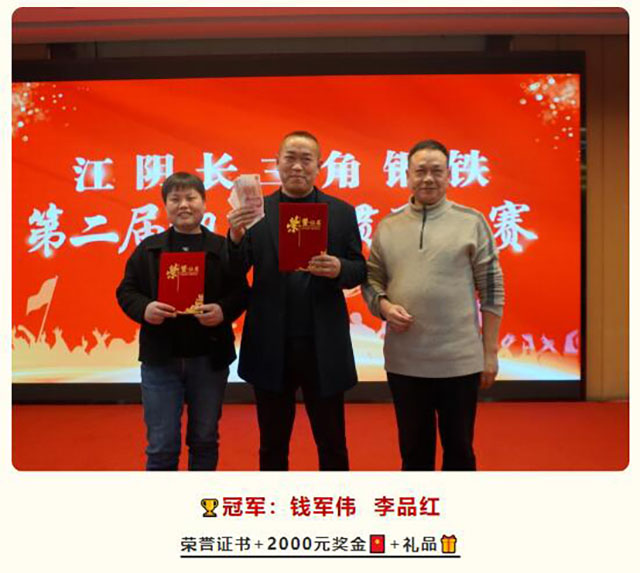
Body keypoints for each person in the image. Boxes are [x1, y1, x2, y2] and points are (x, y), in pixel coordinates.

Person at [227, 131, 366, 471]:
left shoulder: (341, 212)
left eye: (306, 159)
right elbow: (233, 271)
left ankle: (336, 501)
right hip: (270, 342)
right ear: (277, 163)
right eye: (290, 158)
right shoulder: (255, 211)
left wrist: (339, 268)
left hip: (324, 343)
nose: (298, 166)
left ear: (319, 165)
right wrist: (235, 236)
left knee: (332, 441)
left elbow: (359, 269)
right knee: (272, 443)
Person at [363, 139, 505, 471]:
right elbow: (371, 281)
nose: (428, 178)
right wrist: (384, 307)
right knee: (414, 454)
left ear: (449, 176)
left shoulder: (471, 222)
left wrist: (489, 353)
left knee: (460, 451)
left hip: (459, 363)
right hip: (405, 363)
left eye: (437, 171)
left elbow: (492, 289)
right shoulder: (388, 226)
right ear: (407, 176)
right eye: (420, 171)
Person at [116, 172, 249, 470]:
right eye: (175, 199)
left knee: (204, 439)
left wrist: (222, 311)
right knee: (161, 445)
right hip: (161, 360)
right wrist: (145, 308)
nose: (184, 205)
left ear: (204, 203)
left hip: (209, 359)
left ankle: (199, 498)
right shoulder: (149, 248)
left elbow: (242, 292)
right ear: (165, 206)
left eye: (191, 198)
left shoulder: (222, 248)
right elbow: (126, 291)